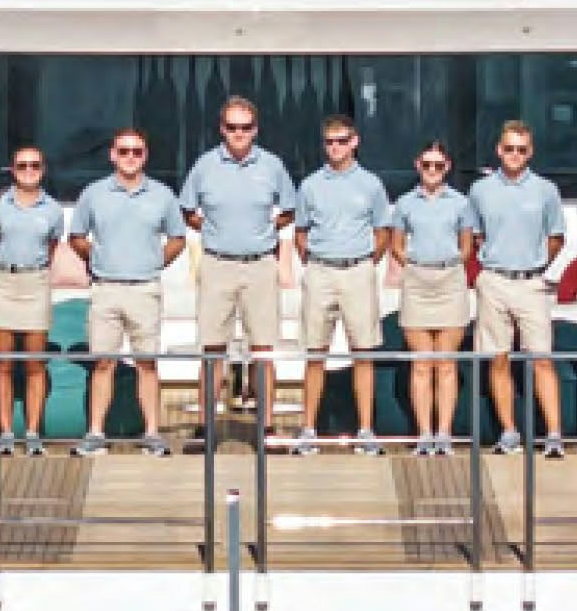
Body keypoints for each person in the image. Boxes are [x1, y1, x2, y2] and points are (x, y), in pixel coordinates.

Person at [180, 95, 298, 448]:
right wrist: (213, 229)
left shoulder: (273, 166)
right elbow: (187, 209)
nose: (238, 134)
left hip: (260, 263)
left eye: (245, 127)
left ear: (256, 130)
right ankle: (206, 426)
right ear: (221, 129)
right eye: (232, 127)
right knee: (212, 349)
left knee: (263, 350)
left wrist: (266, 229)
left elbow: (290, 208)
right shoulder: (204, 166)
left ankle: (266, 427)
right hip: (217, 263)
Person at [287, 114, 399, 449]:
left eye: (341, 141)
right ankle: (308, 430)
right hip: (320, 269)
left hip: (357, 270)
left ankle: (366, 430)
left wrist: (365, 262)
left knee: (363, 352)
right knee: (315, 352)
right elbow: (300, 232)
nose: (335, 148)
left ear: (354, 141)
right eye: (329, 142)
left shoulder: (371, 184)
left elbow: (383, 231)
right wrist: (314, 261)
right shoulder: (309, 185)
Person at [73, 127, 184, 454]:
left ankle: (152, 433)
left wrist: (155, 262)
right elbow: (77, 235)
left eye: (137, 151)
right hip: (106, 288)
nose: (130, 157)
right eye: (124, 151)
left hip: (144, 289)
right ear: (112, 155)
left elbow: (177, 237)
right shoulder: (93, 194)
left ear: (146, 155)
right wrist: (95, 259)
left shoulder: (163, 195)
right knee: (103, 363)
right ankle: (95, 433)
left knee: (146, 363)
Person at [463, 118, 569, 456]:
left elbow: (556, 237)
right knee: (498, 360)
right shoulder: (480, 190)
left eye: (521, 149)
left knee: (542, 360)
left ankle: (553, 434)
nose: (514, 155)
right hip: (493, 279)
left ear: (530, 152)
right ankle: (509, 431)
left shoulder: (545, 190)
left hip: (530, 282)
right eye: (508, 148)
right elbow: (474, 233)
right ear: (498, 150)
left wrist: (538, 265)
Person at [0, 144, 71, 451]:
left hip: (36, 281)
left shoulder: (53, 208)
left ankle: (32, 432)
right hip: (5, 280)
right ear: (12, 169)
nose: (29, 171)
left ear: (43, 170)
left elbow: (52, 246)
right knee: (3, 362)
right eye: (22, 166)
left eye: (35, 165)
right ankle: (6, 433)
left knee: (35, 363)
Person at [389, 142, 476, 453]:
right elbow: (395, 242)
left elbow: (467, 244)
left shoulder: (462, 203)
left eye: (438, 165)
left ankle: (444, 433)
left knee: (446, 363)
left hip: (450, 279)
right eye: (427, 164)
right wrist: (412, 263)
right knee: (422, 364)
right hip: (417, 280)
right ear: (417, 165)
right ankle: (424, 433)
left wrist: (452, 263)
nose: (432, 171)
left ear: (448, 167)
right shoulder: (404, 203)